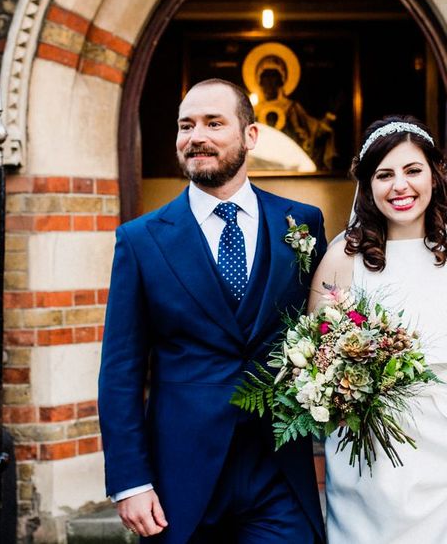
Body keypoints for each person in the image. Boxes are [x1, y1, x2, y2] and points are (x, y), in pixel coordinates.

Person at [98, 79, 328, 543]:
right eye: (186, 125)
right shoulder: (141, 241)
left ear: (251, 135)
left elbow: (324, 331)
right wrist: (131, 481)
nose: (195, 136)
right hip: (181, 479)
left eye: (213, 123)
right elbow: (120, 370)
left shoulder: (301, 223)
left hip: (277, 470)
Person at [310, 115, 447, 543]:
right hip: (368, 460)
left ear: (434, 175)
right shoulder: (342, 259)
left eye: (412, 170)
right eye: (384, 174)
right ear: (367, 184)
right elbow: (317, 361)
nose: (399, 186)